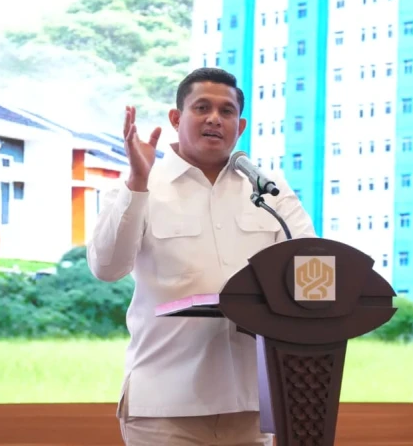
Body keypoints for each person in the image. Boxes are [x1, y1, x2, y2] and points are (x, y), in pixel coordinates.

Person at [87, 68, 317, 446]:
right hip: (165, 407)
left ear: (240, 126)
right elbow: (107, 268)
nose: (214, 118)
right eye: (202, 108)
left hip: (250, 407)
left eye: (226, 111)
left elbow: (312, 266)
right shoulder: (142, 183)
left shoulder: (268, 191)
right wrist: (137, 184)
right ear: (176, 118)